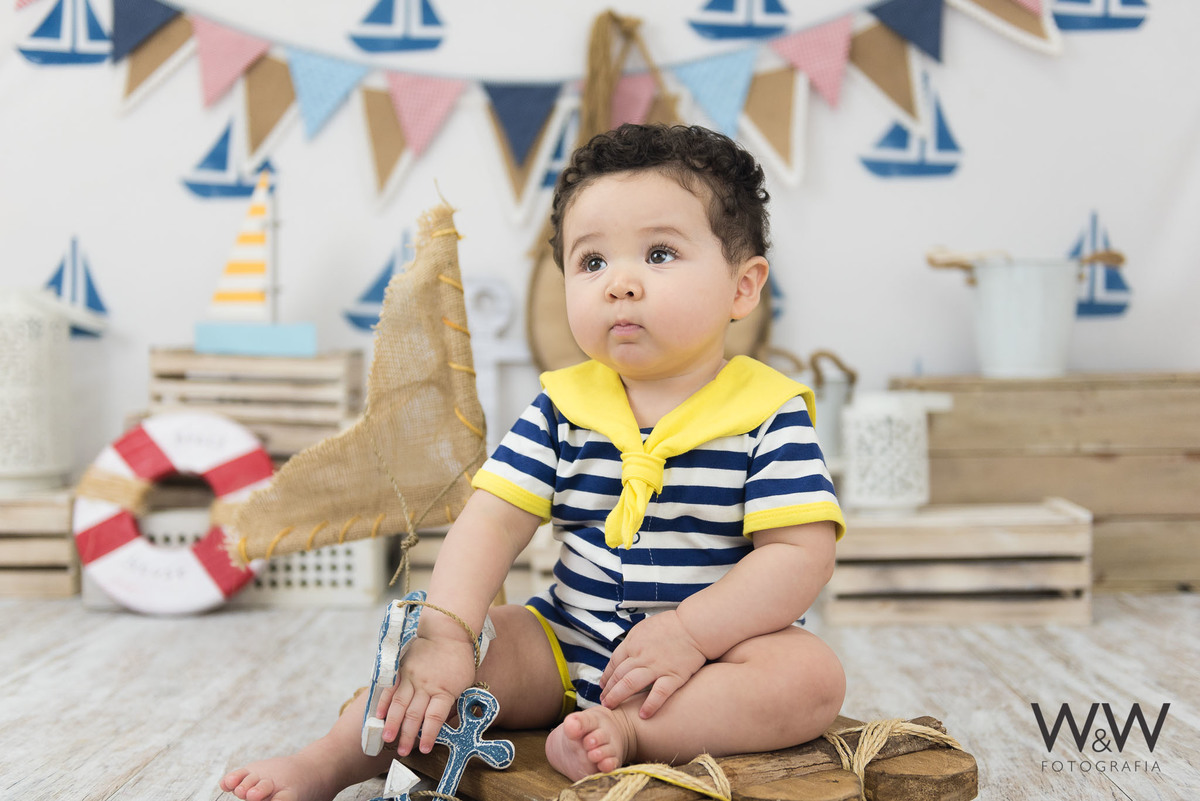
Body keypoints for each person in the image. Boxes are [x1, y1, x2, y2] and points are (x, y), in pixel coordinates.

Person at [221, 123, 846, 801]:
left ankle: (630, 732)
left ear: (743, 287)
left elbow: (797, 555)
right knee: (439, 659)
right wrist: (451, 631)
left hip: (709, 661)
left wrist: (693, 632)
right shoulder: (562, 407)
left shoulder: (769, 413)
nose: (621, 284)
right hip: (563, 642)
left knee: (809, 676)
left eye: (660, 253)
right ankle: (334, 758)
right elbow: (492, 520)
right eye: (593, 262)